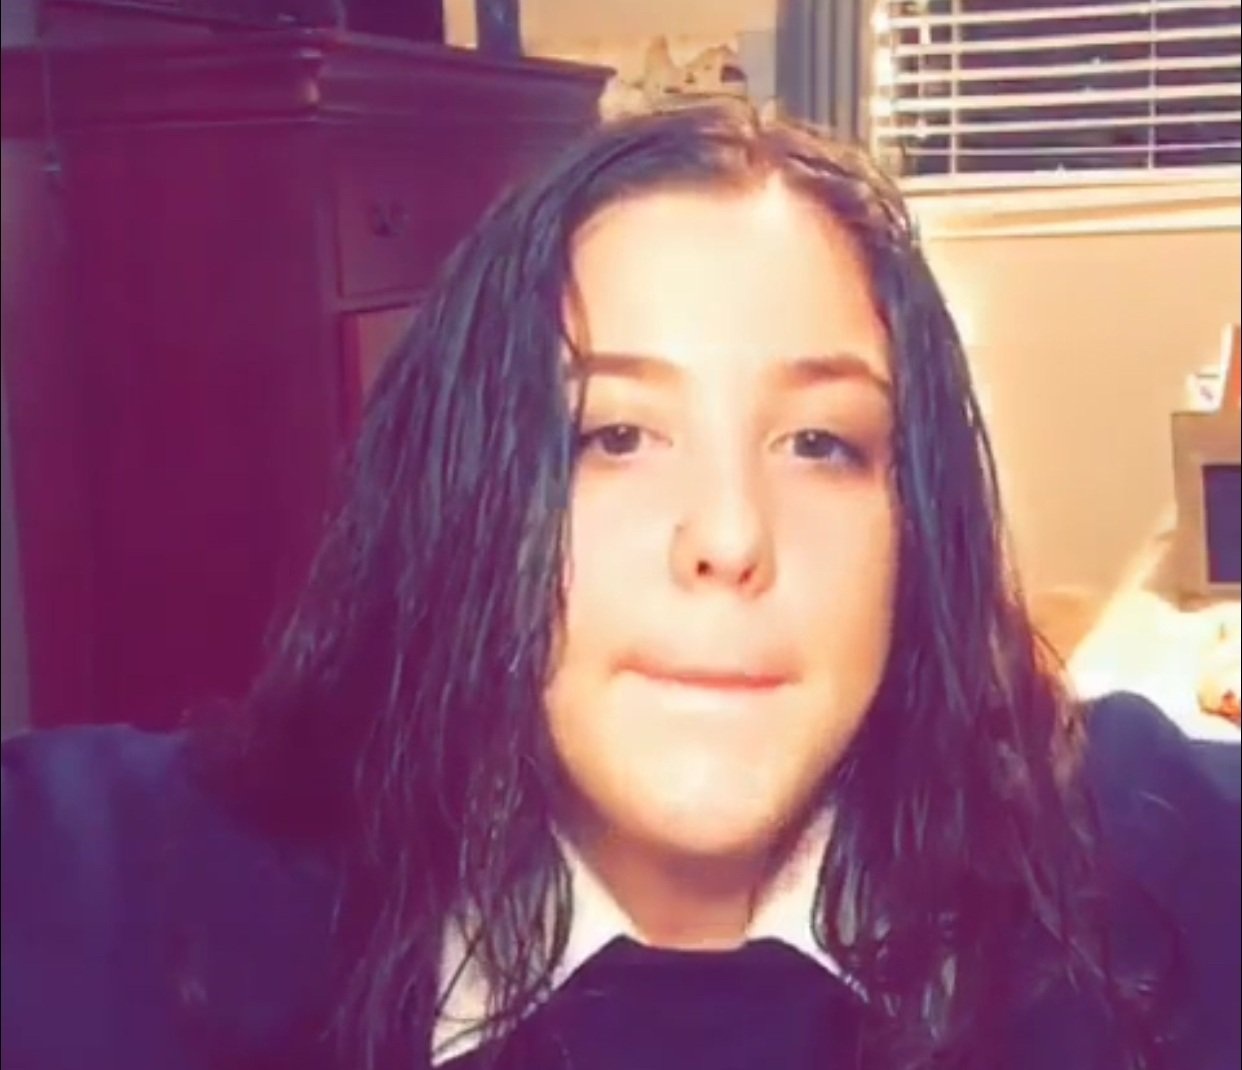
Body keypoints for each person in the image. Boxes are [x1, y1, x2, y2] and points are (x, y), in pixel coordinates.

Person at [2, 100, 1239, 1070]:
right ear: (466, 493)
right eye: (614, 435)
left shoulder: (1147, 859)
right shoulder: (110, 896)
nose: (729, 534)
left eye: (821, 442)